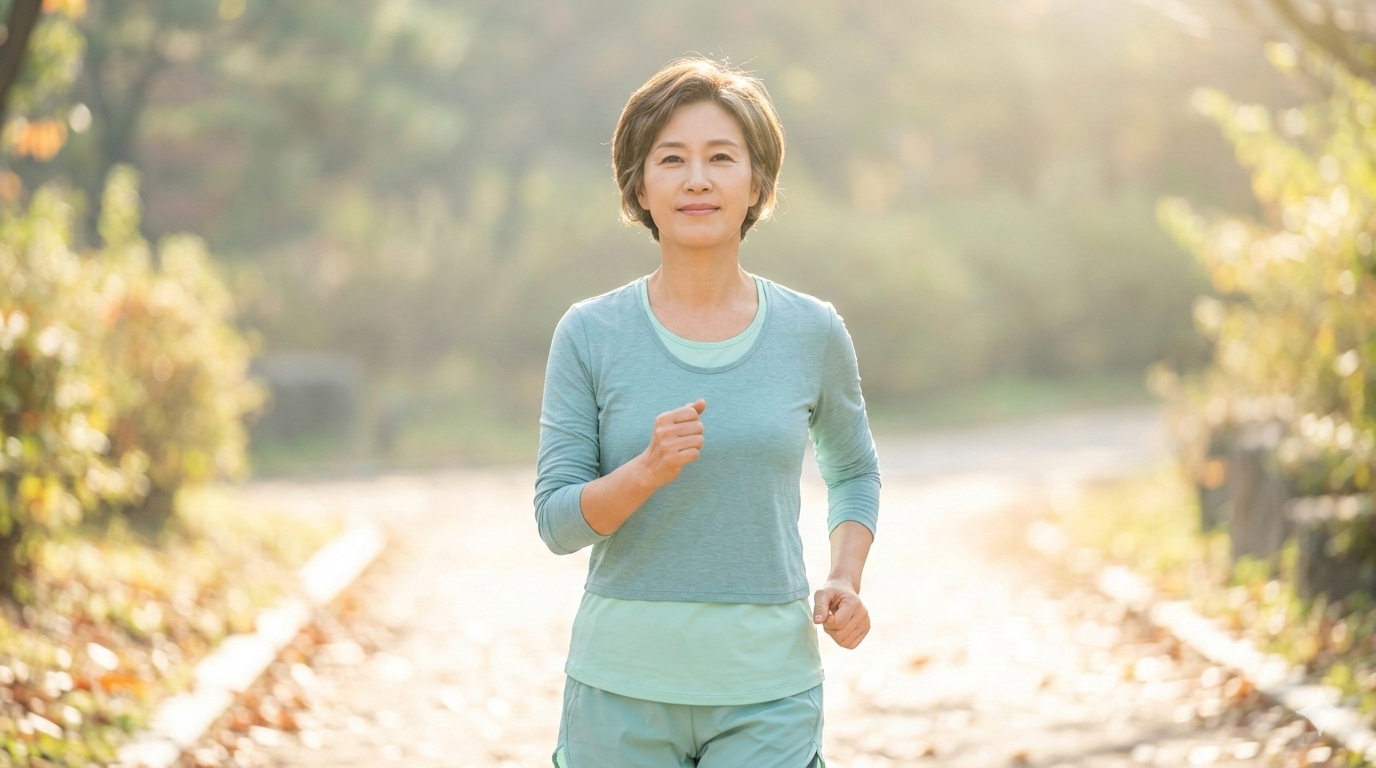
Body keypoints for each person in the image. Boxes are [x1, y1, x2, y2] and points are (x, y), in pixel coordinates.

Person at [534, 57, 881, 768]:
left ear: (757, 183)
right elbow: (557, 522)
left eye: (721, 158)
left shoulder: (811, 331)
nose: (698, 179)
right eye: (672, 159)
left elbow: (854, 469)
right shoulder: (590, 333)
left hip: (769, 686)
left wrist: (845, 576)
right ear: (639, 185)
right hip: (621, 686)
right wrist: (646, 471)